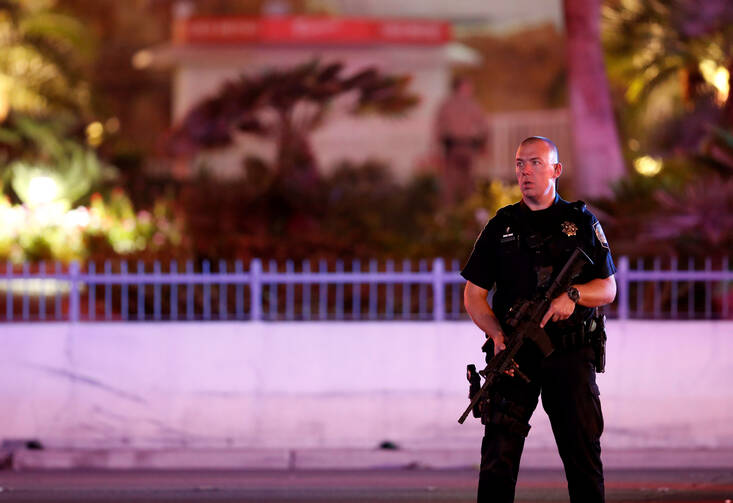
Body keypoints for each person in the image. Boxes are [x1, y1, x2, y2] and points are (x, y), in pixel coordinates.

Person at [461, 136, 617, 503]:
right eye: (519, 164)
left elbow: (608, 288)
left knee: (582, 457)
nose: (525, 171)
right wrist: (497, 334)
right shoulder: (502, 226)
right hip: (515, 357)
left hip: (569, 354)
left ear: (555, 170)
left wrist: (573, 296)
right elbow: (473, 296)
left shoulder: (580, 222)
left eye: (534, 163)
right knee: (498, 458)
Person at [435, 76, 489, 204]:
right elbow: (484, 127)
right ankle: (461, 210)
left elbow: (484, 127)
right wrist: (483, 144)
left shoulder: (449, 105)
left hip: (463, 146)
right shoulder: (467, 105)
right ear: (461, 87)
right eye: (468, 86)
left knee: (464, 182)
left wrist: (483, 143)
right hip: (456, 146)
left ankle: (461, 210)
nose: (470, 89)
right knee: (456, 183)